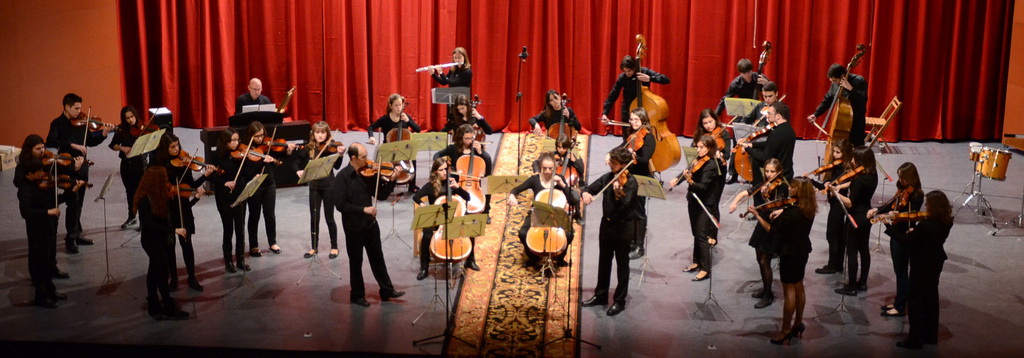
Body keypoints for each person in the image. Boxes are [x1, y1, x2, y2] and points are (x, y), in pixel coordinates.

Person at [333, 143, 406, 307]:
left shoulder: (369, 173)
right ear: (353, 158)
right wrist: (363, 209)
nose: (368, 160)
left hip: (370, 224)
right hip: (353, 227)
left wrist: (392, 180)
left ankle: (386, 290)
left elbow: (381, 195)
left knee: (377, 258)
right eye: (363, 157)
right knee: (356, 261)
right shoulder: (342, 177)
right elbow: (340, 205)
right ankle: (357, 295)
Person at [748, 176, 817, 345]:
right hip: (803, 249)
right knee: (799, 286)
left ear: (799, 191)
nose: (789, 190)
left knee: (789, 291)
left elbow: (772, 230)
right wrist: (783, 209)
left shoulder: (791, 214)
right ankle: (798, 323)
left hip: (789, 252)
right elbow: (791, 210)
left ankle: (785, 330)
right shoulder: (807, 207)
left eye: (793, 188)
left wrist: (757, 215)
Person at [16, 135, 82, 308]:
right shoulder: (25, 190)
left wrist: (70, 192)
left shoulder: (42, 184)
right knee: (40, 263)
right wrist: (48, 211)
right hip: (37, 229)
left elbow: (55, 201)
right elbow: (26, 212)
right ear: (30, 174)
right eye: (39, 172)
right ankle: (41, 296)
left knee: (47, 258)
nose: (43, 175)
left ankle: (50, 292)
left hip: (49, 225)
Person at [46, 93, 113, 254]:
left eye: (80, 108)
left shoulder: (82, 123)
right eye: (76, 108)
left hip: (82, 166)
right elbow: (51, 141)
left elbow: (90, 141)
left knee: (80, 202)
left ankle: (76, 233)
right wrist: (73, 145)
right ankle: (70, 238)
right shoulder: (57, 123)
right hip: (67, 167)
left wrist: (104, 134)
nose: (79, 111)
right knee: (73, 202)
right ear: (67, 107)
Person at [152, 132, 217, 292]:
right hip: (167, 209)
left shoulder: (185, 163)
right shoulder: (159, 166)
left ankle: (192, 277)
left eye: (178, 145)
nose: (177, 149)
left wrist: (205, 176)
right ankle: (173, 278)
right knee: (169, 246)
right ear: (164, 149)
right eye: (172, 147)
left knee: (187, 244)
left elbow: (191, 185)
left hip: (183, 207)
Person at [579, 147, 638, 316]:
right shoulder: (608, 177)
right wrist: (586, 194)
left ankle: (620, 301)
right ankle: (601, 295)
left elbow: (626, 205)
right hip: (606, 225)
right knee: (604, 261)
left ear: (623, 165)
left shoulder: (631, 182)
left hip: (623, 228)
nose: (610, 165)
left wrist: (618, 192)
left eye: (613, 163)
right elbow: (589, 188)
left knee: (622, 264)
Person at [896, 191, 953, 349]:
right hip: (936, 261)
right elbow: (929, 237)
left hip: (922, 264)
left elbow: (906, 241)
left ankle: (914, 339)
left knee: (915, 301)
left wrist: (889, 227)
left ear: (933, 206)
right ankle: (930, 335)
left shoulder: (926, 225)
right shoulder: (947, 221)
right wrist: (917, 233)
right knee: (931, 298)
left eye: (927, 204)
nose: (925, 206)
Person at [727, 158, 786, 308]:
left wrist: (776, 206)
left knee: (765, 261)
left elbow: (785, 206)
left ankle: (768, 295)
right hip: (762, 222)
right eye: (767, 171)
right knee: (759, 257)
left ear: (779, 172)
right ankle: (766, 289)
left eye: (772, 171)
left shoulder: (783, 187)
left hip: (771, 225)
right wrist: (734, 203)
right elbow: (745, 193)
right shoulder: (763, 185)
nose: (769, 174)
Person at [868, 162, 924, 317]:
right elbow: (892, 205)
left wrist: (894, 215)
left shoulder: (917, 195)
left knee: (902, 272)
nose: (901, 180)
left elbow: (909, 215)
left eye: (903, 177)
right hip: (895, 232)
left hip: (904, 235)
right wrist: (877, 211)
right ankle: (899, 301)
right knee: (898, 270)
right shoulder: (903, 190)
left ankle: (900, 307)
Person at [134, 166, 190, 320]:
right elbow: (151, 225)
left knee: (153, 271)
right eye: (164, 179)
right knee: (161, 272)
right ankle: (167, 305)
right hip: (151, 241)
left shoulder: (160, 195)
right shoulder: (144, 199)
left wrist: (194, 197)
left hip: (160, 239)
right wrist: (174, 231)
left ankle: (153, 304)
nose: (167, 182)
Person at [508, 152, 578, 268]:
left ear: (555, 167)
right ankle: (533, 257)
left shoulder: (559, 178)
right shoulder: (534, 179)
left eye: (550, 168)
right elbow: (516, 189)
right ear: (540, 166)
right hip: (537, 215)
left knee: (569, 234)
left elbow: (571, 200)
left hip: (555, 215)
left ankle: (559, 258)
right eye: (544, 168)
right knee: (523, 233)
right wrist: (512, 195)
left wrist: (562, 184)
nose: (547, 171)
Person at [671, 135, 725, 282]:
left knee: (701, 235)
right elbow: (690, 170)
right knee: (696, 232)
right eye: (697, 147)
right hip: (694, 200)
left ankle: (706, 269)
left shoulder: (712, 164)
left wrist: (690, 181)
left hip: (705, 204)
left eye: (702, 147)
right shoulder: (698, 159)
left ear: (709, 148)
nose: (698, 150)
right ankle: (696, 262)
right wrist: (678, 179)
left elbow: (702, 187)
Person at [412, 158, 472, 280]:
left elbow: (468, 197)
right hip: (437, 219)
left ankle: (471, 260)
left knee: (470, 230)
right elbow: (416, 197)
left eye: (446, 169)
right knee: (427, 235)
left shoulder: (452, 183)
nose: (445, 172)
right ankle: (424, 267)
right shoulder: (430, 186)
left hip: (453, 218)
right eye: (441, 170)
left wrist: (457, 188)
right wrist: (422, 204)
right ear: (435, 172)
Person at [830, 146, 878, 296]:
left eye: (854, 158)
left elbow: (850, 202)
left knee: (851, 251)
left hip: (854, 217)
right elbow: (853, 184)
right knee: (864, 249)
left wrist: (835, 193)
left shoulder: (860, 179)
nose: (851, 160)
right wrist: (842, 185)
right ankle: (862, 282)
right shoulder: (872, 174)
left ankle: (851, 286)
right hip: (867, 216)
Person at [293, 121, 345, 260]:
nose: (320, 135)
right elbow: (296, 162)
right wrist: (298, 170)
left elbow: (337, 166)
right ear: (313, 134)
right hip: (314, 186)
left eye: (323, 133)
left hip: (329, 186)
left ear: (327, 134)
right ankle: (314, 247)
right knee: (314, 218)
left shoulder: (332, 147)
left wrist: (340, 155)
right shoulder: (309, 148)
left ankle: (334, 246)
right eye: (317, 132)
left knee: (329, 218)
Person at [241, 121, 293, 257]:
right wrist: (262, 163)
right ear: (250, 136)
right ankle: (254, 245)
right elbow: (246, 171)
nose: (261, 139)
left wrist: (287, 151)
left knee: (270, 214)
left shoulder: (268, 146)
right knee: (254, 215)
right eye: (257, 136)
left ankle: (272, 242)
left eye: (262, 135)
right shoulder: (245, 150)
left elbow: (279, 158)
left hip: (269, 184)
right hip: (256, 185)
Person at [808, 139, 854, 275]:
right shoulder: (839, 167)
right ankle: (837, 264)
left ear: (845, 153)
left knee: (832, 235)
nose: (834, 155)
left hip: (839, 205)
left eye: (838, 152)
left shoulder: (845, 170)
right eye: (834, 151)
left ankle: (833, 265)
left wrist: (811, 181)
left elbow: (828, 187)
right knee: (837, 236)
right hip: (835, 203)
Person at [600, 55, 670, 138]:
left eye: (629, 71)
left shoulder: (643, 72)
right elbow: (613, 95)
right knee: (627, 138)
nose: (627, 73)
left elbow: (666, 79)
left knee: (645, 137)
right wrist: (605, 113)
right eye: (625, 71)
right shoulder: (623, 77)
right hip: (628, 108)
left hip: (644, 108)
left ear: (634, 67)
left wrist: (650, 78)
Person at [210, 129, 250, 272]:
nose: (236, 143)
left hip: (239, 194)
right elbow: (211, 177)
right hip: (223, 196)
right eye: (233, 140)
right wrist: (224, 183)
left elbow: (246, 173)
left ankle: (240, 259)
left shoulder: (240, 155)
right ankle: (228, 261)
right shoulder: (217, 156)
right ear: (226, 141)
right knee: (228, 229)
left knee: (240, 229)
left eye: (237, 140)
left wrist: (247, 161)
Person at [620, 108, 656, 259]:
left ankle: (639, 246)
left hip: (642, 178)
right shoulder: (632, 135)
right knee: (629, 209)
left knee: (639, 212)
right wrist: (611, 154)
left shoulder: (648, 138)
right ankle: (631, 241)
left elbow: (644, 160)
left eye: (636, 120)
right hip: (631, 177)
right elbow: (622, 148)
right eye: (631, 119)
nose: (633, 122)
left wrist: (633, 155)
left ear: (643, 121)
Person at [368, 93, 421, 192]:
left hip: (403, 150)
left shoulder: (405, 117)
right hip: (389, 149)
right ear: (391, 106)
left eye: (400, 105)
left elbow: (418, 129)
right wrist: (371, 137)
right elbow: (371, 127)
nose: (398, 108)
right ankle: (385, 184)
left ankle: (412, 185)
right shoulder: (386, 119)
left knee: (412, 158)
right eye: (396, 105)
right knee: (380, 161)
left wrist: (408, 121)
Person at [807, 64, 868, 146]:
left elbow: (862, 100)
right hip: (841, 123)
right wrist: (816, 114)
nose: (833, 83)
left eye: (834, 80)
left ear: (842, 76)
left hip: (856, 122)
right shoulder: (835, 84)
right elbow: (827, 100)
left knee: (856, 150)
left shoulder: (859, 81)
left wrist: (850, 89)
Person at [738, 101, 796, 184]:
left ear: (778, 116)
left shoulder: (776, 133)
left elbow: (765, 158)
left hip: (777, 174)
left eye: (769, 113)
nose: (767, 116)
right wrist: (752, 144)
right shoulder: (789, 129)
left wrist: (748, 148)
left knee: (755, 159)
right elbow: (771, 144)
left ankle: (757, 190)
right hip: (787, 170)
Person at [108, 105, 147, 229]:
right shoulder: (121, 129)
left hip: (141, 164)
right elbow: (112, 145)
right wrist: (121, 147)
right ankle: (132, 217)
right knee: (130, 192)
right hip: (126, 165)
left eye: (132, 117)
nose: (131, 120)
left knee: (141, 193)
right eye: (127, 118)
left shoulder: (143, 127)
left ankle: (143, 220)